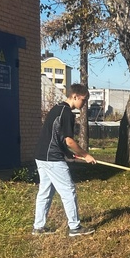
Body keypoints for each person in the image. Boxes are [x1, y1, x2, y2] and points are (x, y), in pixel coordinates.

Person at [33, 84, 97, 236]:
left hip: (41, 156)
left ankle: (38, 227)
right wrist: (85, 155)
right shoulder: (67, 113)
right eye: (84, 99)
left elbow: (55, 137)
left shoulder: (56, 109)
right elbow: (68, 140)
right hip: (52, 159)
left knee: (45, 192)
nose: (85, 103)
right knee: (68, 191)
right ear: (75, 96)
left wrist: (67, 154)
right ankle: (75, 228)